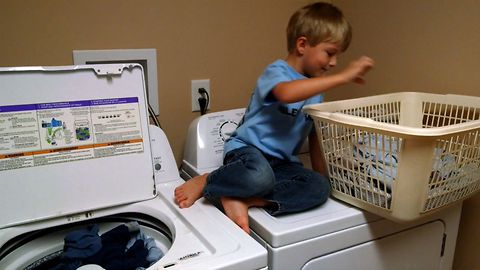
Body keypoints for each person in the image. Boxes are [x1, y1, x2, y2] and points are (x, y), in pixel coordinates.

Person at [175, 1, 374, 234]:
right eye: (329, 53)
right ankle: (209, 181)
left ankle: (247, 199)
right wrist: (343, 77)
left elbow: (315, 136)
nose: (334, 63)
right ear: (302, 45)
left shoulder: (316, 92)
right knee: (260, 176)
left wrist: (321, 178)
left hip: (282, 165)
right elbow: (286, 93)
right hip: (247, 153)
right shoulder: (276, 72)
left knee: (320, 187)